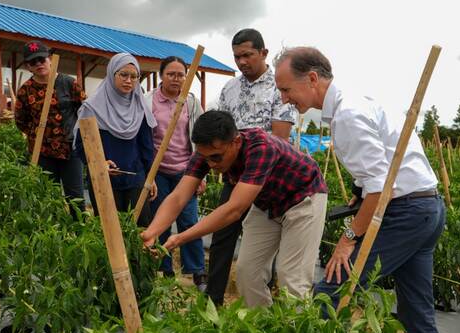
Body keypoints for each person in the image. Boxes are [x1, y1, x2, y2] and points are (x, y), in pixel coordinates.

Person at [274, 46, 448, 333]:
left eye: (288, 90)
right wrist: (356, 190)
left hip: (403, 213)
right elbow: (380, 169)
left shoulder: (349, 114)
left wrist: (349, 237)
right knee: (417, 314)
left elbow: (378, 188)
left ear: (313, 79)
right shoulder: (355, 104)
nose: (286, 100)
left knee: (330, 290)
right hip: (426, 208)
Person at [140, 110, 327, 307]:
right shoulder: (207, 152)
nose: (211, 164)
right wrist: (152, 232)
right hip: (267, 204)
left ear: (236, 142)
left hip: (303, 199)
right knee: (248, 273)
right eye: (206, 159)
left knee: (292, 278)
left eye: (216, 157)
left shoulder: (261, 148)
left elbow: (234, 210)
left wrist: (179, 238)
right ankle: (261, 327)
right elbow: (178, 197)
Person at [206, 28, 297, 305]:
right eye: (237, 57)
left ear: (263, 53)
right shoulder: (230, 88)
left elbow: (280, 138)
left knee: (263, 246)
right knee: (222, 237)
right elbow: (219, 132)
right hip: (235, 177)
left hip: (266, 180)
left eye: (247, 55)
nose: (242, 62)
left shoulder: (279, 87)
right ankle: (213, 301)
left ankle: (260, 304)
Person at [144, 56, 207, 287]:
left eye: (181, 74)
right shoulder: (149, 100)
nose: (176, 79)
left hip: (186, 171)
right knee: (160, 220)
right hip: (158, 170)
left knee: (189, 220)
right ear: (161, 75)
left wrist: (200, 174)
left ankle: (197, 271)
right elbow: (144, 137)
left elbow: (201, 139)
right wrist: (148, 176)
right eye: (171, 74)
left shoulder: (190, 102)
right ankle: (164, 268)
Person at [74, 53, 157, 222]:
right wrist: (100, 163)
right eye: (123, 75)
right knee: (109, 231)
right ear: (112, 74)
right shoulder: (93, 107)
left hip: (135, 177)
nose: (129, 80)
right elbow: (82, 144)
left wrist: (150, 177)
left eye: (134, 76)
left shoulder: (139, 106)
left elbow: (146, 146)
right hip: (103, 179)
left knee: (139, 230)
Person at [14, 41, 85, 215]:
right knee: (46, 199)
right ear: (28, 67)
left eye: (41, 59)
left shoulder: (68, 83)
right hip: (42, 153)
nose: (38, 64)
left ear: (50, 59)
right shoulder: (26, 90)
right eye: (33, 62)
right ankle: (53, 236)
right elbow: (21, 120)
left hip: (70, 150)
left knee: (75, 199)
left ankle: (79, 234)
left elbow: (85, 111)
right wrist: (38, 133)